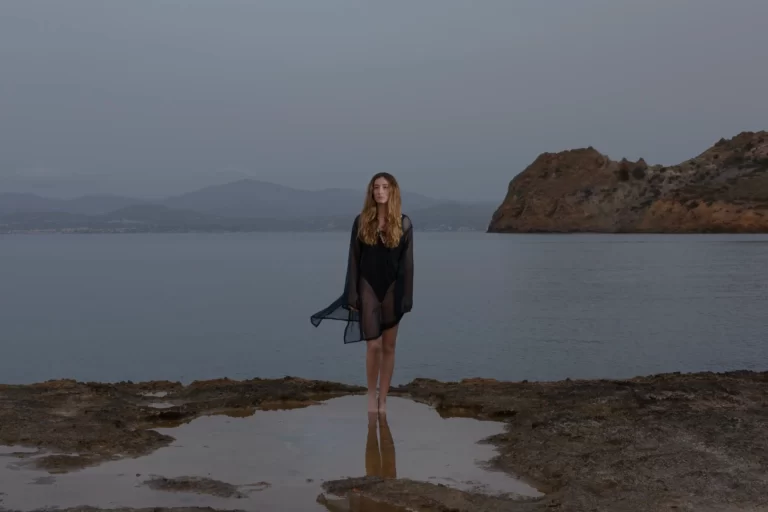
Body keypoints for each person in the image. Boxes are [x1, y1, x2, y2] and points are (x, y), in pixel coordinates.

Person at [311, 172, 414, 413]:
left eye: (385, 187)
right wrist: (351, 294)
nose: (380, 191)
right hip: (367, 286)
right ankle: (370, 397)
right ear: (371, 192)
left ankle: (383, 400)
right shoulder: (362, 221)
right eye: (376, 187)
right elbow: (353, 259)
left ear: (393, 191)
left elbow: (408, 264)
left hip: (393, 289)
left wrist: (407, 297)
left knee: (389, 347)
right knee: (373, 346)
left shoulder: (404, 223)